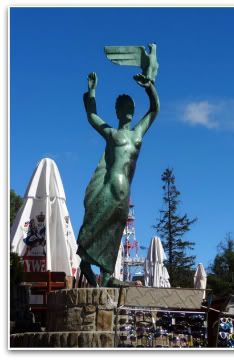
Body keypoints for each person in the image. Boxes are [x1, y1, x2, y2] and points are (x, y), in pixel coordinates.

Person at [77, 71, 159, 287]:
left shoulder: (138, 133)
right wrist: (92, 92)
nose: (130, 111)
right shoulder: (112, 134)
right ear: (118, 111)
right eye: (125, 108)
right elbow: (92, 117)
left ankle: (104, 282)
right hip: (107, 189)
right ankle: (88, 270)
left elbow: (154, 109)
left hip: (123, 196)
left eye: (132, 107)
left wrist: (149, 88)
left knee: (113, 238)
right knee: (91, 231)